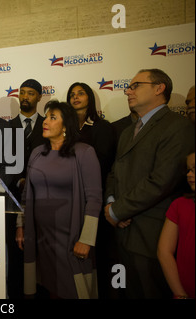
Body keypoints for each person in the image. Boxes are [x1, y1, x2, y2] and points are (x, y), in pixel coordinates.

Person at [105, 68, 195, 299]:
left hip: (152, 235)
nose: (128, 91)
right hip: (122, 233)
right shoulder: (127, 132)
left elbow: (162, 180)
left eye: (135, 85)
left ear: (159, 88)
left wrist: (117, 210)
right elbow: (115, 172)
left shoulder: (178, 126)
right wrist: (111, 202)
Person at [23, 100, 102, 299]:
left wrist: (86, 239)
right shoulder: (36, 153)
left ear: (66, 125)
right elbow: (27, 194)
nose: (45, 121)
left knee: (74, 289)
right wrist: (20, 225)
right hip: (42, 237)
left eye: (52, 117)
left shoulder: (84, 152)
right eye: (46, 117)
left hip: (72, 238)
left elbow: (94, 198)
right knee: (51, 286)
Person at [66, 82, 117, 298]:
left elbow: (104, 163)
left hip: (92, 200)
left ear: (90, 98)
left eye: (81, 93)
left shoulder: (101, 127)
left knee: (94, 259)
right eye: (72, 94)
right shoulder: (64, 128)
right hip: (67, 202)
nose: (76, 97)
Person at [8, 79, 45, 298]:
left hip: (43, 200)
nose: (25, 97)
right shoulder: (6, 127)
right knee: (16, 253)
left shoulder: (49, 124)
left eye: (30, 93)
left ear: (39, 97)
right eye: (22, 93)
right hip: (13, 198)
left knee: (41, 255)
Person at [157, 152, 195, 300]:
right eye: (188, 169)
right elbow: (164, 251)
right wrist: (180, 293)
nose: (189, 174)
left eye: (194, 169)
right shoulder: (179, 205)